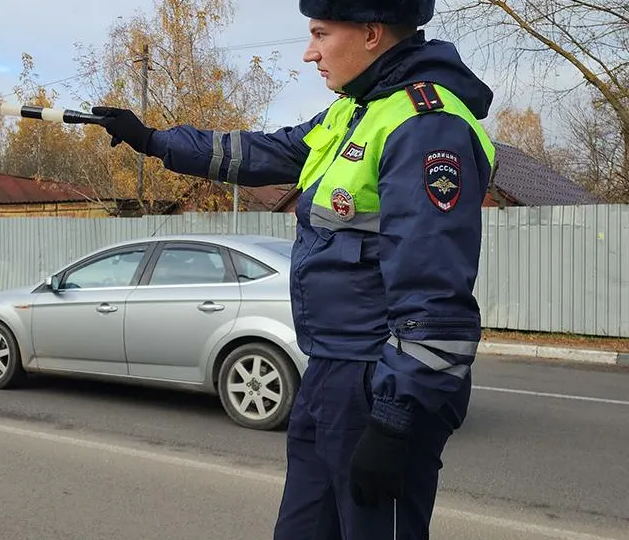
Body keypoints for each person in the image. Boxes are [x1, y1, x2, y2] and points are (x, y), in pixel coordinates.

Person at [91, 0, 495, 538]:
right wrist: (153, 140)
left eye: (321, 34)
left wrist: (396, 418)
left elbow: (434, 293)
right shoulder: (355, 111)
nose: (310, 54)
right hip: (329, 369)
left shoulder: (425, 125)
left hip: (378, 382)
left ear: (372, 33)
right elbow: (260, 152)